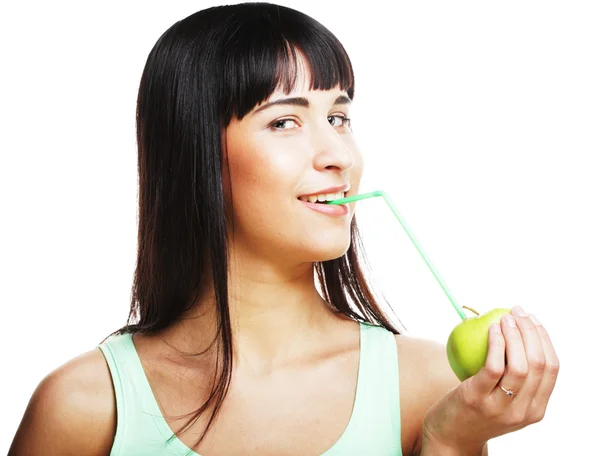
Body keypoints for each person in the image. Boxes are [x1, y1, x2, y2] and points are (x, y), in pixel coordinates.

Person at [9, 2, 559, 455]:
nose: (338, 154)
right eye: (284, 121)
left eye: (338, 117)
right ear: (196, 155)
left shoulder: (428, 388)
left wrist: (447, 444)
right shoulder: (83, 407)